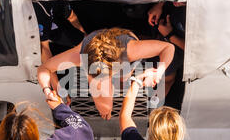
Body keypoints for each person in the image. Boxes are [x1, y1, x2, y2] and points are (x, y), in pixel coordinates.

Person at [37, 27, 175, 120]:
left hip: (123, 58)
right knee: (105, 107)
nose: (102, 81)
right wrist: (51, 88)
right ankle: (105, 109)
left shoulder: (131, 50)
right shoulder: (79, 55)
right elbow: (44, 68)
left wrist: (159, 72)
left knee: (124, 78)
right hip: (100, 58)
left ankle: (122, 80)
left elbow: (168, 48)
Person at [147, 1, 187, 109]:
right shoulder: (176, 3)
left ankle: (152, 106)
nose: (178, 1)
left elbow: (197, 49)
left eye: (183, 1)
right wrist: (160, 3)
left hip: (175, 43)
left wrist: (170, 35)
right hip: (162, 26)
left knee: (167, 75)